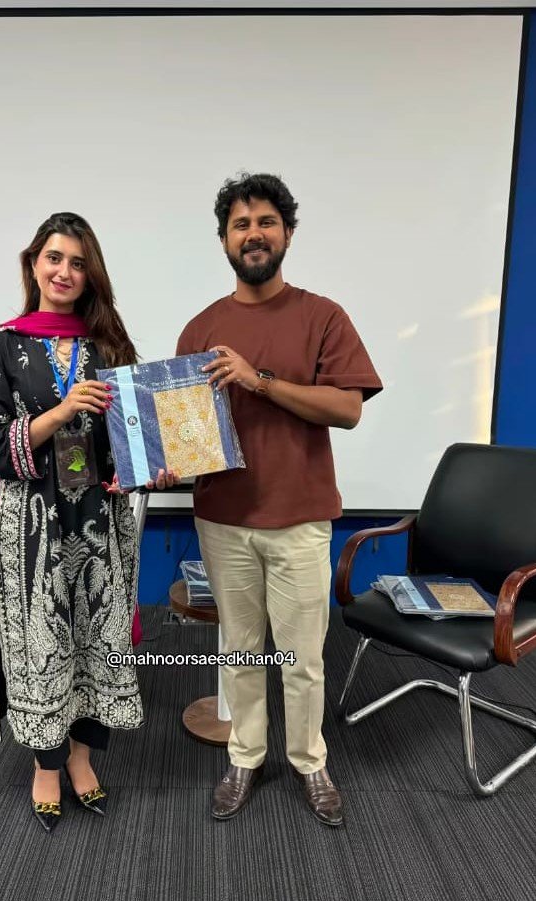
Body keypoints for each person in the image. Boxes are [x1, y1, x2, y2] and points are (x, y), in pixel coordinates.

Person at [177, 174, 382, 826]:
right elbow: (187, 436)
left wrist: (259, 380)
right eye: (240, 224)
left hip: (299, 517)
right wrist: (154, 460)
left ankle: (309, 760)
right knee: (239, 650)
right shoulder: (201, 327)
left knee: (302, 658)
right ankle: (245, 756)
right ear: (224, 241)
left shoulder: (323, 316)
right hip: (223, 518)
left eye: (266, 221)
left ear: (287, 233)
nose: (254, 234)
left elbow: (347, 408)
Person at [0, 212, 175, 832]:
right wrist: (59, 413)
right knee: (42, 646)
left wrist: (149, 470)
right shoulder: (1, 344)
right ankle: (46, 767)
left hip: (100, 522)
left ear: (90, 275)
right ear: (33, 264)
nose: (64, 272)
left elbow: (125, 447)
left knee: (97, 642)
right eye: (54, 258)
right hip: (32, 526)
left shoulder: (108, 346)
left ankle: (83, 758)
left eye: (78, 263)